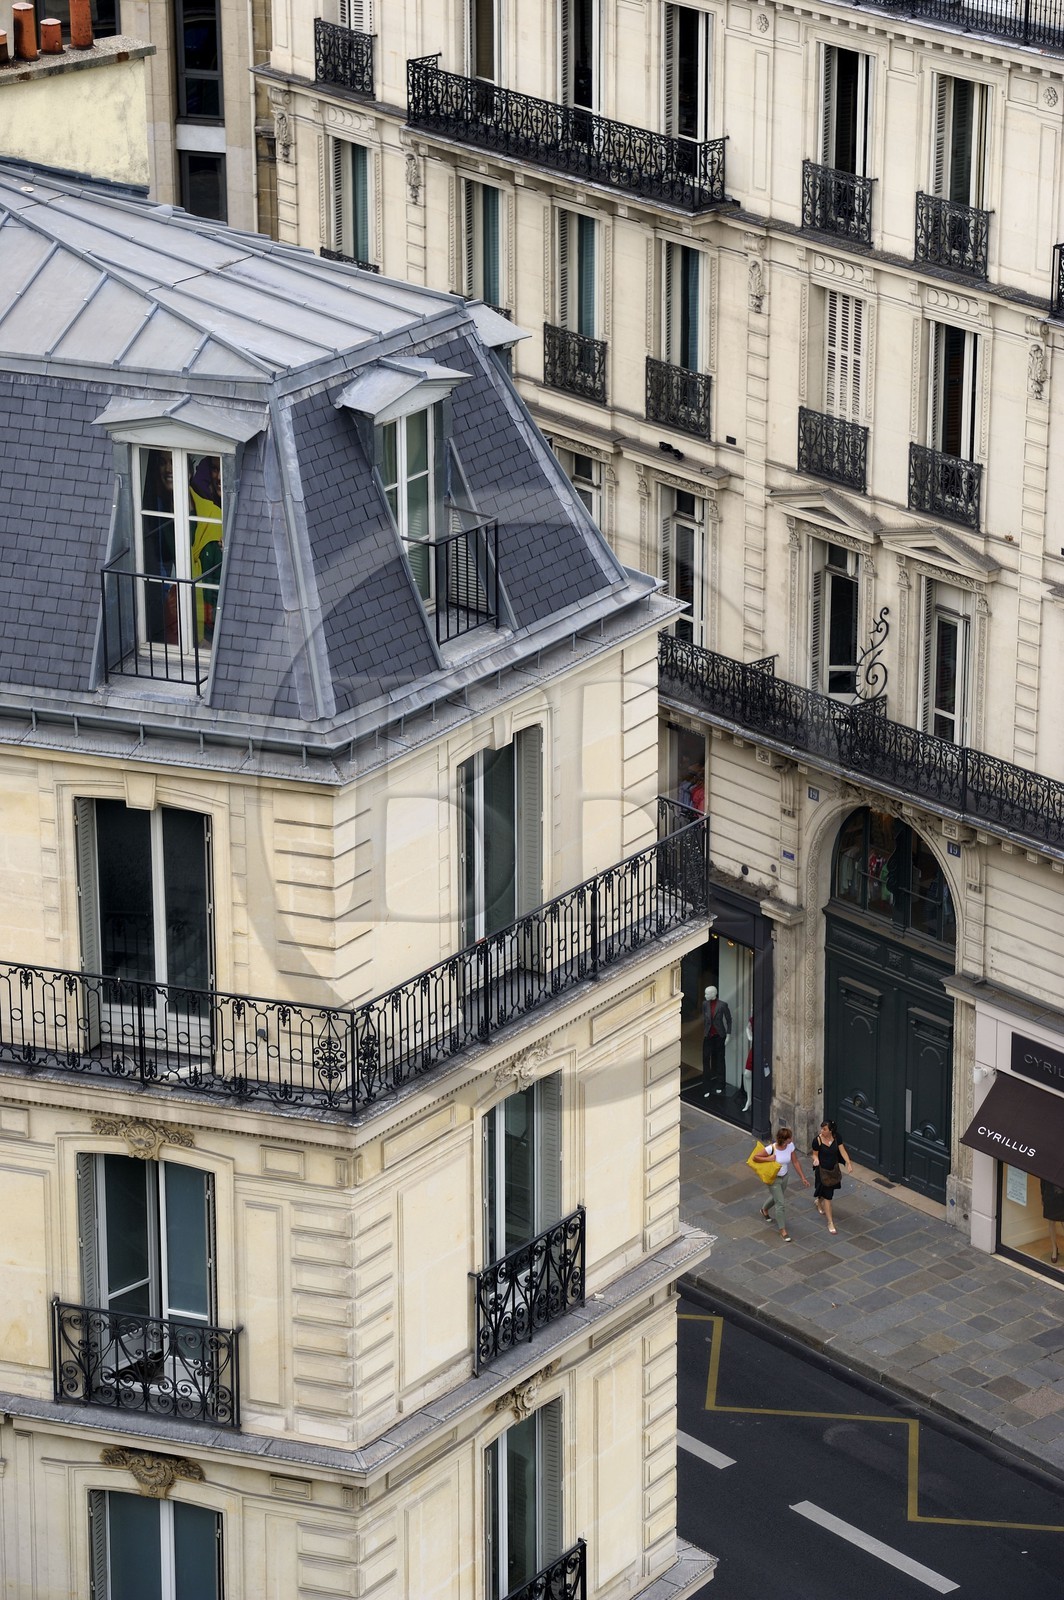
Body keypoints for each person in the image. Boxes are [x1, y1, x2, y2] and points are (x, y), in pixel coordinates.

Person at [754, 1126, 809, 1241]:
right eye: (789, 1138)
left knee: (777, 1197)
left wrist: (803, 1177)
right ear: (783, 1139)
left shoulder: (790, 1146)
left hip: (785, 1177)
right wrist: (768, 1159)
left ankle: (764, 1209)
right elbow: (756, 1157)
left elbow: (795, 1162)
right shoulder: (771, 1148)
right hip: (773, 1178)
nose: (791, 1139)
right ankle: (782, 1230)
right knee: (780, 1203)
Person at [811, 1120, 853, 1235]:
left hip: (833, 1171)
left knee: (825, 1193)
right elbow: (814, 1154)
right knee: (828, 1197)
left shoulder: (837, 1137)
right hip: (822, 1172)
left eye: (824, 1129)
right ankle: (830, 1222)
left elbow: (842, 1150)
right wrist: (816, 1159)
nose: (822, 1131)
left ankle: (819, 1201)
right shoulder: (817, 1140)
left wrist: (848, 1163)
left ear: (831, 1130)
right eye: (821, 1128)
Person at [702, 985, 732, 1097]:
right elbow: (705, 1019)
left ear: (714, 994)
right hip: (708, 1036)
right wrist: (705, 1031)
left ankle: (720, 1084)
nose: (705, 995)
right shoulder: (705, 1004)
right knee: (705, 1059)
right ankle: (706, 1086)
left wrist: (728, 1035)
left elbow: (729, 1020)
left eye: (707, 994)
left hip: (719, 1036)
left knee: (720, 1060)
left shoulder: (722, 1005)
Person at [1040, 1178, 1064, 1265]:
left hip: (1062, 1196)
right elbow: (1042, 1179)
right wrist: (1043, 1195)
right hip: (1050, 1194)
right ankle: (1054, 1248)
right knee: (1051, 1221)